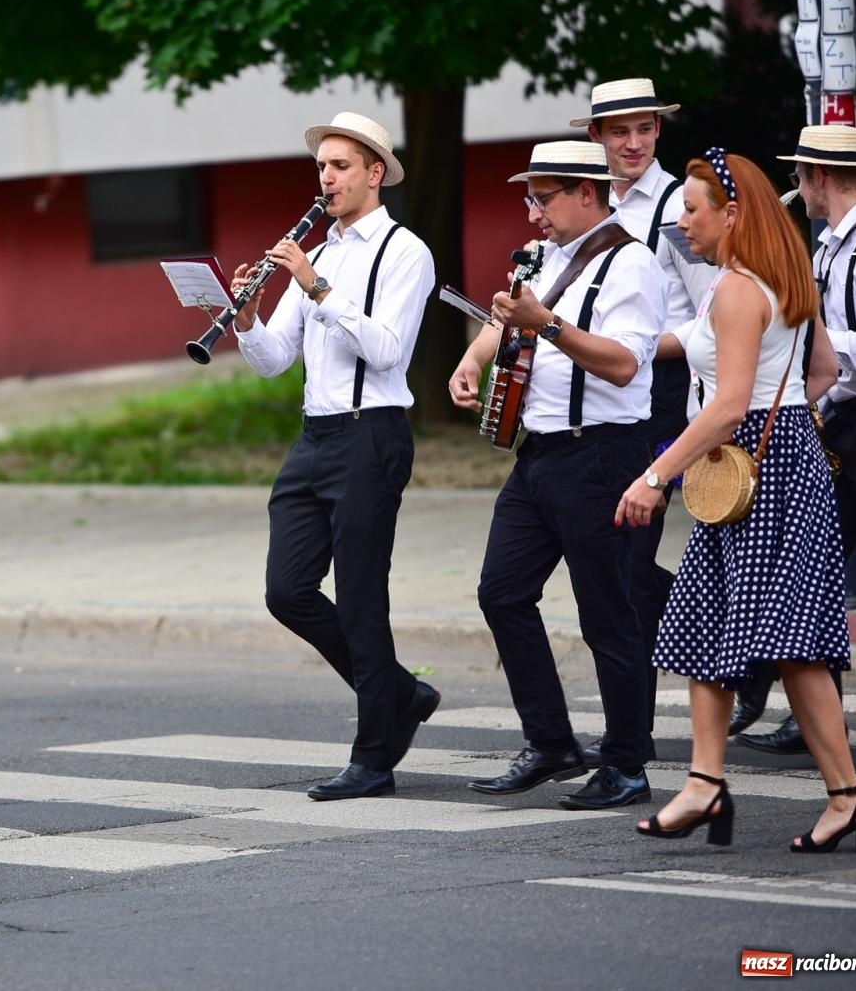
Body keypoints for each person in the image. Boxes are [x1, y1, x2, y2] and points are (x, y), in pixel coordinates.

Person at [617, 149, 856, 853]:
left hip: (757, 475)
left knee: (794, 649)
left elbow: (728, 406)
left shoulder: (736, 291)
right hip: (776, 465)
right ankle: (705, 784)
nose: (682, 221)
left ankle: (847, 796)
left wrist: (655, 475)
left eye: (693, 209)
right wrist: (786, 414)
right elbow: (822, 370)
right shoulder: (778, 278)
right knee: (707, 627)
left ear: (733, 213)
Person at [449, 140, 666, 811]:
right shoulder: (545, 257)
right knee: (501, 592)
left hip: (602, 453)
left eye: (541, 198)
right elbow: (505, 316)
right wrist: (477, 356)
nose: (533, 212)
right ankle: (551, 742)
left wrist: (549, 324)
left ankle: (627, 764)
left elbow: (625, 363)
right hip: (539, 454)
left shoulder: (633, 263)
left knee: (609, 613)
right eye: (529, 199)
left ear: (584, 193)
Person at [232, 111, 439, 801]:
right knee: (286, 590)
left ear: (374, 172)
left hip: (371, 433)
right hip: (315, 436)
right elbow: (273, 360)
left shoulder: (405, 251)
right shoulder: (314, 255)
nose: (327, 179)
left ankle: (374, 756)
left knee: (359, 599)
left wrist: (317, 291)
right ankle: (399, 693)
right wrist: (245, 317)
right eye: (321, 166)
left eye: (341, 166)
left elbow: (385, 349)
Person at [734, 126, 856, 769]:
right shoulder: (830, 246)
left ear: (820, 177)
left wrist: (820, 344)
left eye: (799, 175)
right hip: (844, 421)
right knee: (811, 572)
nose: (795, 188)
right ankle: (812, 715)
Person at [573, 78, 718, 767]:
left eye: (645, 129)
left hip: (659, 398)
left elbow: (708, 320)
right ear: (596, 137)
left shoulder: (675, 208)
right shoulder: (585, 206)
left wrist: (630, 346)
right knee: (625, 567)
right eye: (618, 130)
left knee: (627, 564)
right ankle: (730, 644)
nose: (633, 143)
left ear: (659, 132)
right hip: (600, 403)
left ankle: (634, 731)